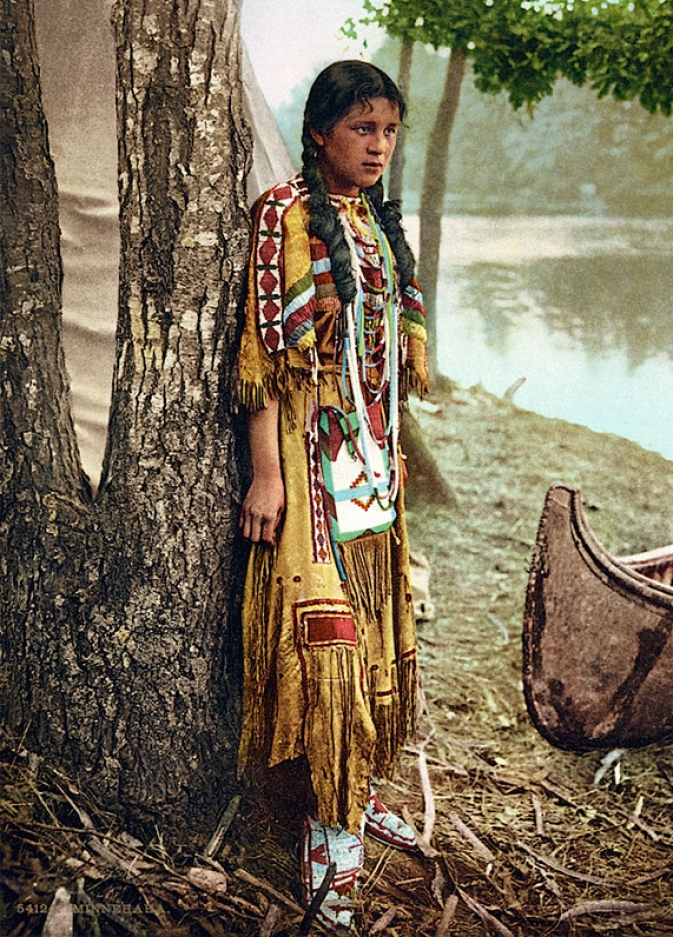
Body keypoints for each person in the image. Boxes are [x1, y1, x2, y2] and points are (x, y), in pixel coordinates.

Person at [235, 60, 428, 933]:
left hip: (372, 469)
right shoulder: (284, 213)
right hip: (310, 473)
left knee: (382, 636)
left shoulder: (379, 223)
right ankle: (330, 834)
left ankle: (357, 790)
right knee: (329, 650)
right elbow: (267, 353)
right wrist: (267, 474)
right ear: (320, 131)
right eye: (362, 128)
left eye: (388, 129)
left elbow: (387, 350)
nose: (378, 144)